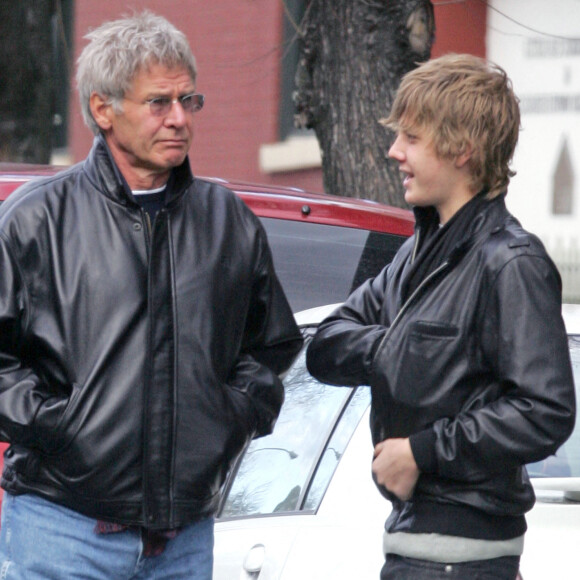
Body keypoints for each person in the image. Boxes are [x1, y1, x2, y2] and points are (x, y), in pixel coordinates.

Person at [0, 11, 303, 580]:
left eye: (189, 101)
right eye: (158, 102)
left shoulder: (226, 221)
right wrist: (60, 428)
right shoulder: (34, 220)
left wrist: (229, 418)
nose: (178, 119)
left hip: (184, 538)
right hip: (62, 529)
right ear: (101, 109)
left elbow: (271, 347)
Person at [306, 53, 575, 580]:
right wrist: (402, 346)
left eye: (411, 137)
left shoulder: (512, 263)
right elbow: (326, 345)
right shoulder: (413, 259)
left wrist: (425, 452)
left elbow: (545, 411)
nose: (394, 152)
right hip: (414, 551)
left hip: (467, 563)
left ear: (462, 150)